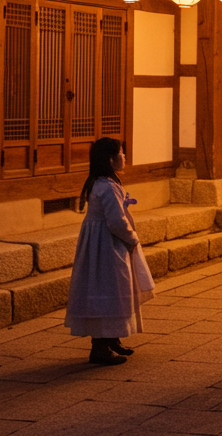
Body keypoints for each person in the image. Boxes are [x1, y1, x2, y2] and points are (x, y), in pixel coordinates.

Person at [64, 137, 154, 365]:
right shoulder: (106, 186)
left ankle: (111, 337)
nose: (124, 157)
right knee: (109, 288)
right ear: (110, 159)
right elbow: (116, 221)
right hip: (107, 244)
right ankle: (100, 346)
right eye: (121, 153)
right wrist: (132, 239)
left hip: (100, 242)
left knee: (112, 288)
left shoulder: (103, 182)